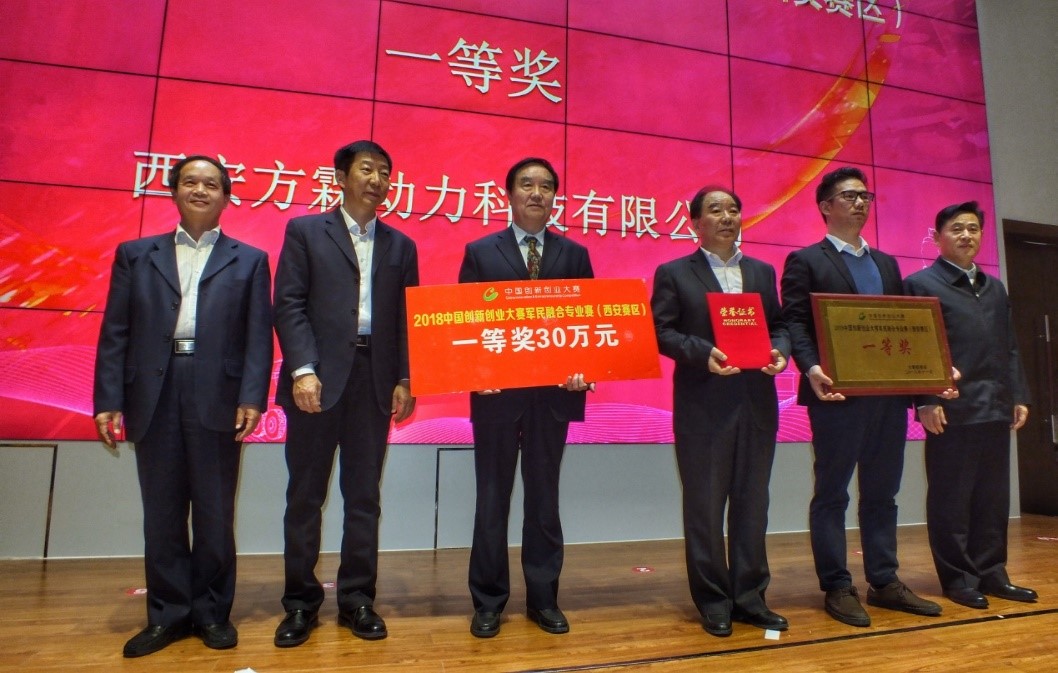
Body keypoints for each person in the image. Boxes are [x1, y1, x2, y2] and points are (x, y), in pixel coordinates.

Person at [93, 155, 273, 657]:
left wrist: (251, 396)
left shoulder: (250, 260)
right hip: (153, 388)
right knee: (163, 512)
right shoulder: (136, 254)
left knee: (215, 511)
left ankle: (212, 612)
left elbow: (258, 336)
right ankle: (167, 615)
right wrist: (108, 398)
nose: (200, 190)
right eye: (190, 181)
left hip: (217, 391)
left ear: (226, 197)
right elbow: (116, 330)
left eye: (211, 184)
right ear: (173, 191)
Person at [780, 166, 944, 627]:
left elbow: (905, 327)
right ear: (825, 206)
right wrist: (811, 367)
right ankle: (837, 585)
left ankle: (885, 581)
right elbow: (795, 321)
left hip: (887, 398)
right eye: (849, 196)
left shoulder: (886, 263)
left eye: (865, 197)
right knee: (832, 494)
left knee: (882, 493)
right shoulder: (806, 260)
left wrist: (926, 384)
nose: (859, 203)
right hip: (836, 396)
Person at [272, 140, 419, 646]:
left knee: (363, 498)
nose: (377, 180)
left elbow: (407, 319)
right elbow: (289, 304)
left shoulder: (402, 246)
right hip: (315, 381)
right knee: (304, 497)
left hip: (374, 381)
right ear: (340, 177)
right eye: (367, 170)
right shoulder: (305, 231)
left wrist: (405, 378)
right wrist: (303, 370)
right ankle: (299, 604)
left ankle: (358, 600)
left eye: (385, 172)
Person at [458, 157, 594, 638]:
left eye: (547, 186)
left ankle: (544, 599)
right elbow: (466, 322)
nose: (537, 193)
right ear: (509, 194)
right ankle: (488, 601)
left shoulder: (574, 254)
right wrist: (476, 372)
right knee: (491, 500)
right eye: (527, 184)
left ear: (555, 196)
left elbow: (589, 322)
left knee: (543, 500)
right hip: (497, 396)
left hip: (553, 396)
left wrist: (586, 371)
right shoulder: (481, 251)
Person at [651, 186, 791, 637]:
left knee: (753, 505)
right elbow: (660, 331)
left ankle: (750, 598)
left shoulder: (762, 271)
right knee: (705, 509)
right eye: (716, 210)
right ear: (696, 222)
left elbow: (780, 325)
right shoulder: (675, 273)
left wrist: (780, 351)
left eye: (734, 209)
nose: (728, 217)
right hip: (703, 407)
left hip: (756, 404)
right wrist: (702, 352)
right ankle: (713, 600)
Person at [904, 201, 1035, 609]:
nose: (966, 235)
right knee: (951, 498)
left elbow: (1009, 345)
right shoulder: (920, 284)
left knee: (992, 497)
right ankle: (958, 578)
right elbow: (914, 349)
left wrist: (1018, 394)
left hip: (995, 405)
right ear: (938, 237)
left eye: (974, 229)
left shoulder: (994, 287)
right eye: (957, 228)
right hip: (951, 409)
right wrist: (925, 399)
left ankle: (993, 572)